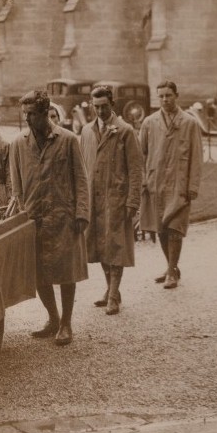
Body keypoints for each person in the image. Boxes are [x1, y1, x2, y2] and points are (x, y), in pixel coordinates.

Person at [9, 89, 89, 346]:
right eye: (25, 115)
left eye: (32, 114)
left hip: (63, 215)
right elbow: (16, 185)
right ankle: (52, 318)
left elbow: (81, 180)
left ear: (45, 113)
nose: (27, 120)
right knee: (39, 272)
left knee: (67, 271)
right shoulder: (18, 144)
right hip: (34, 217)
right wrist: (21, 214)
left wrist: (82, 212)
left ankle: (66, 322)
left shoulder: (67, 140)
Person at [79, 85, 143, 316]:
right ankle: (110, 289)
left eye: (104, 106)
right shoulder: (86, 131)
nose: (100, 111)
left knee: (115, 245)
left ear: (112, 104)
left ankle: (114, 295)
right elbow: (82, 166)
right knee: (98, 246)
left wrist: (132, 201)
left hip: (116, 198)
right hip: (93, 198)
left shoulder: (125, 131)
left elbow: (136, 170)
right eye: (96, 107)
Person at [139, 80, 202, 290]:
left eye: (169, 95)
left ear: (177, 95)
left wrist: (192, 186)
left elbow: (196, 157)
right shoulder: (149, 122)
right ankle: (171, 267)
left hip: (179, 183)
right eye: (161, 96)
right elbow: (142, 154)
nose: (165, 100)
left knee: (175, 227)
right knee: (161, 229)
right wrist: (143, 180)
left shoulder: (190, 123)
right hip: (156, 182)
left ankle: (172, 271)